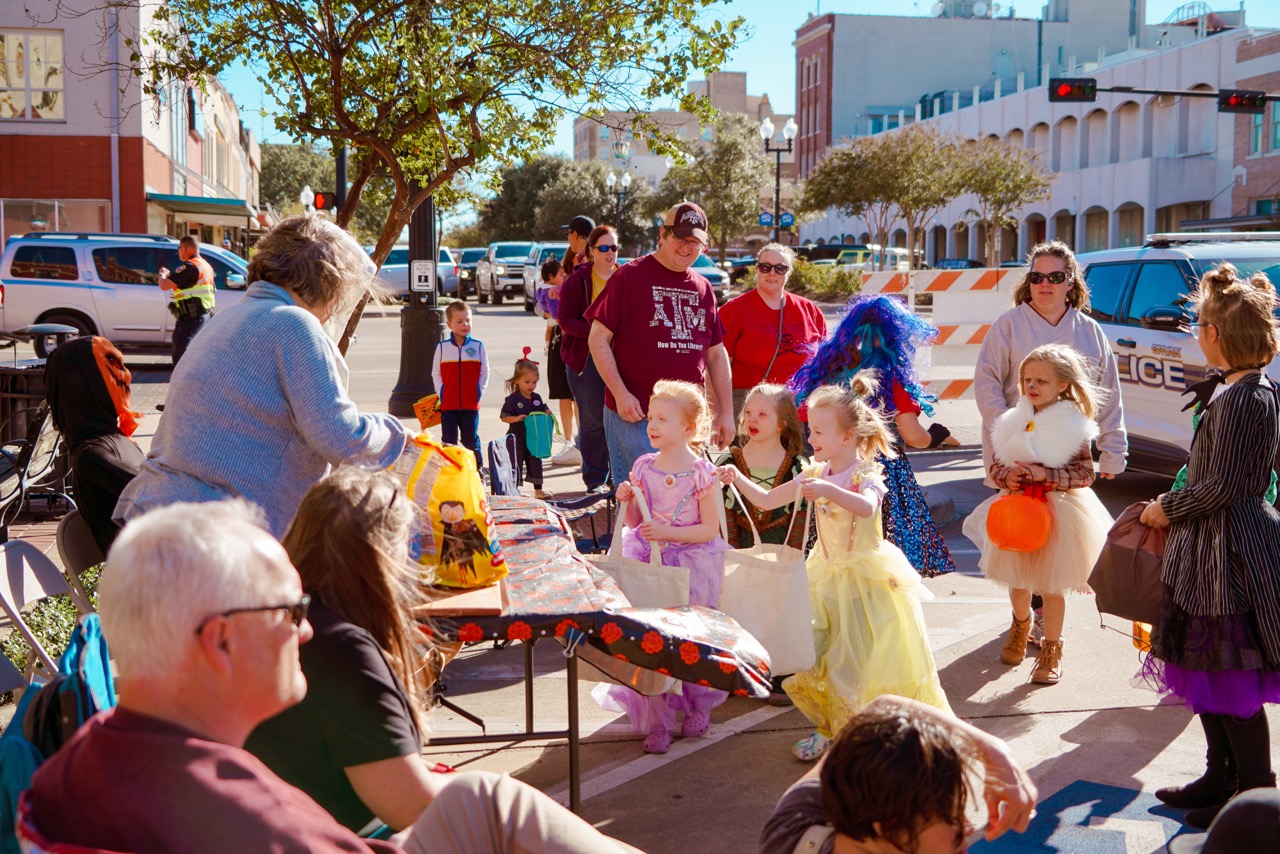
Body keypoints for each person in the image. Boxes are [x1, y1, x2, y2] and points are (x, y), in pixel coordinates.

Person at [23, 499, 644, 854]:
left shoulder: (85, 754)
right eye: (290, 611)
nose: (308, 630)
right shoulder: (241, 813)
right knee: (491, 804)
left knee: (481, 800)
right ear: (220, 640)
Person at [116, 215, 412, 539]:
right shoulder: (294, 324)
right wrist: (403, 441)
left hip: (155, 525)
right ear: (327, 283)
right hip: (214, 541)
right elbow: (341, 437)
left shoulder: (225, 320)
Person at [721, 375, 950, 762]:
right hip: (825, 577)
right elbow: (766, 499)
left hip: (865, 580)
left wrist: (828, 491)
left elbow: (867, 506)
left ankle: (859, 733)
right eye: (810, 431)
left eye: (819, 432)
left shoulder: (866, 474)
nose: (810, 439)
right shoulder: (813, 473)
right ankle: (831, 728)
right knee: (819, 657)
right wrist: (736, 477)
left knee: (858, 660)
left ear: (847, 438)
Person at [1138, 263, 1280, 829]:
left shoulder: (1249, 398)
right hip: (1209, 553)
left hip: (1233, 557)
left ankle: (1252, 797)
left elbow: (1229, 486)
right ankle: (1218, 776)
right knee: (1206, 669)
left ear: (1215, 336)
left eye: (1198, 325)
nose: (1194, 333)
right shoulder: (1232, 389)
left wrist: (1165, 508)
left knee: (1230, 676)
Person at [973, 240, 1126, 644]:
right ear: (1029, 282)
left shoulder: (1090, 331)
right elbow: (987, 381)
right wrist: (1006, 429)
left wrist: (1113, 449)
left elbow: (1107, 393)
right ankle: (1026, 617)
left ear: (1070, 282)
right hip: (1016, 452)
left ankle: (1043, 624)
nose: (1045, 284)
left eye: (1055, 277)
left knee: (1054, 544)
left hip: (1064, 457)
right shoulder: (1008, 325)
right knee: (1021, 539)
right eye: (1037, 276)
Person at [962, 344, 1114, 685]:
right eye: (1027, 379)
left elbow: (1085, 475)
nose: (1031, 386)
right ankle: (1020, 624)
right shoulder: (1013, 421)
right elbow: (997, 466)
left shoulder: (1073, 425)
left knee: (1051, 586)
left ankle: (1051, 649)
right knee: (1017, 581)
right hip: (1016, 510)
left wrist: (1050, 476)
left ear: (1062, 385)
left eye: (1041, 381)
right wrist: (1007, 477)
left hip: (1058, 512)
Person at [599, 380, 728, 755]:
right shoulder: (644, 466)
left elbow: (709, 528)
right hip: (648, 560)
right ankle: (657, 718)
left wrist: (668, 531)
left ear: (688, 428)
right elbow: (636, 520)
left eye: (662, 419)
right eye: (651, 418)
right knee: (649, 642)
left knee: (689, 640)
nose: (651, 425)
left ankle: (696, 704)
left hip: (691, 565)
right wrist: (629, 497)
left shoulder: (702, 472)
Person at [790, 294, 958, 578]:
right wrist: (935, 436)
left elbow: (804, 416)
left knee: (830, 553)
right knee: (887, 560)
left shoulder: (827, 372)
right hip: (880, 473)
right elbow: (912, 435)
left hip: (833, 470)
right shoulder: (890, 377)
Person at [759, 694, 1038, 854]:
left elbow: (879, 708)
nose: (968, 829)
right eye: (951, 820)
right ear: (891, 829)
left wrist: (993, 750)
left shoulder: (792, 828)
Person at [587, 202, 734, 483]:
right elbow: (598, 338)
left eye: (695, 241)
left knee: (687, 502)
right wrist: (620, 393)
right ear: (663, 235)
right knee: (642, 504)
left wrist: (726, 413)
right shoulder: (629, 277)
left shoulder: (703, 288)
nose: (686, 247)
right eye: (680, 237)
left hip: (686, 422)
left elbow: (716, 355)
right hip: (636, 416)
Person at [718, 382, 809, 706]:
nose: (753, 419)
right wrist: (728, 550)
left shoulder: (797, 466)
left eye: (763, 414)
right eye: (749, 413)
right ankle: (739, 670)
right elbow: (723, 511)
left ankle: (780, 672)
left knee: (777, 609)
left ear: (783, 422)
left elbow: (800, 517)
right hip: (739, 547)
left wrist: (793, 556)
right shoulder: (729, 460)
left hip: (779, 550)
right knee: (738, 606)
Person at [43, 335, 145, 553]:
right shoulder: (93, 455)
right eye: (113, 368)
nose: (123, 376)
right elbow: (157, 497)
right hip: (144, 579)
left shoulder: (116, 439)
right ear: (93, 387)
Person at [719, 243, 828, 419]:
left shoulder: (810, 310)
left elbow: (825, 366)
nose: (772, 273)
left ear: (789, 272)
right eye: (765, 267)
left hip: (802, 417)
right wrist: (720, 414)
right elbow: (718, 368)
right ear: (757, 270)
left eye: (780, 268)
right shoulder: (732, 312)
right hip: (753, 417)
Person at [558, 224, 621, 491]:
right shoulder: (578, 280)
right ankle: (596, 479)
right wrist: (598, 333)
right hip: (586, 361)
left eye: (614, 248)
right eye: (603, 248)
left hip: (622, 359)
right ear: (591, 251)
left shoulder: (627, 277)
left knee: (620, 418)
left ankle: (619, 477)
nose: (609, 253)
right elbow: (565, 320)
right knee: (593, 420)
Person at [431, 300, 489, 468]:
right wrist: (441, 392)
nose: (465, 324)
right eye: (460, 321)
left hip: (471, 404)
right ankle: (450, 472)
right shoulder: (442, 348)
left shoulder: (478, 347)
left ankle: (478, 471)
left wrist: (479, 391)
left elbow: (485, 372)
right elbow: (436, 372)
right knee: (448, 441)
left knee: (470, 439)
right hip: (448, 404)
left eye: (468, 320)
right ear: (449, 324)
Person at [536, 257, 580, 466]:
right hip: (558, 339)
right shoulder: (548, 287)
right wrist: (547, 314)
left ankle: (581, 441)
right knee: (563, 393)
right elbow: (539, 308)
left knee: (579, 395)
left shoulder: (579, 275)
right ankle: (569, 441)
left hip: (576, 340)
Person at [498, 348, 551, 499]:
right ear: (517, 381)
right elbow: (503, 416)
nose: (531, 385)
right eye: (527, 382)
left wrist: (547, 411)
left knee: (535, 461)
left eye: (534, 382)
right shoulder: (512, 399)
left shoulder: (536, 397)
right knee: (516, 462)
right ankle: (514, 489)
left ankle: (538, 491)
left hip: (533, 436)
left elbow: (542, 407)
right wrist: (515, 418)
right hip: (517, 436)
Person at [158, 235, 216, 365]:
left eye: (178, 248)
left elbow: (164, 285)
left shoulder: (190, 267)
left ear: (184, 248)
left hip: (191, 317)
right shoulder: (206, 266)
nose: (178, 251)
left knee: (181, 350)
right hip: (202, 315)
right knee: (194, 351)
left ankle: (182, 382)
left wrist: (162, 274)